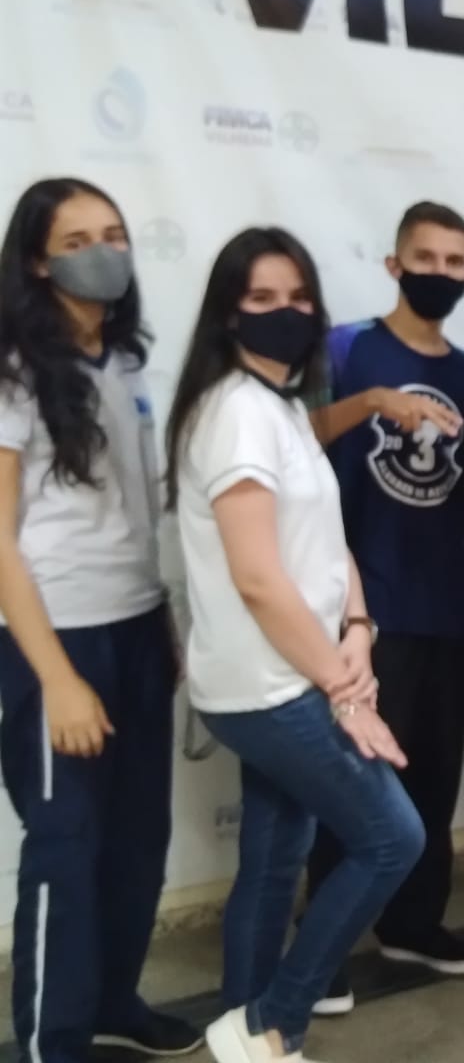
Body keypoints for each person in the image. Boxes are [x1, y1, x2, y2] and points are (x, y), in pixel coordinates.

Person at [166, 227, 422, 1063]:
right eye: (262, 299)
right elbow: (258, 578)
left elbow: (327, 543)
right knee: (393, 838)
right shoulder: (237, 412)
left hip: (296, 671)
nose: (286, 312)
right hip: (270, 686)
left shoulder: (278, 407)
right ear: (227, 314)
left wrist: (358, 630)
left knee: (277, 860)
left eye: (299, 297)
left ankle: (246, 1032)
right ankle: (272, 1025)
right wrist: (344, 694)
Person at [0, 179, 201, 1062]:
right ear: (38, 262)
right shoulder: (13, 371)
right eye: (77, 240)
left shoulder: (123, 362)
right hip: (57, 636)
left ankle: (115, 1001)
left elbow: (136, 514)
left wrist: (164, 624)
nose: (104, 252)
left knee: (136, 840)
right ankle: (54, 1042)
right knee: (66, 848)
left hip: (136, 624)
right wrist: (57, 679)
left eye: (114, 234)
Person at [303, 202, 464, 1013]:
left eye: (456, 262)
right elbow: (293, 439)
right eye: (426, 258)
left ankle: (413, 923)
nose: (441, 273)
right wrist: (371, 403)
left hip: (444, 602)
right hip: (362, 605)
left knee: (432, 775)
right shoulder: (347, 349)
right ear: (395, 264)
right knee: (351, 781)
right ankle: (320, 950)